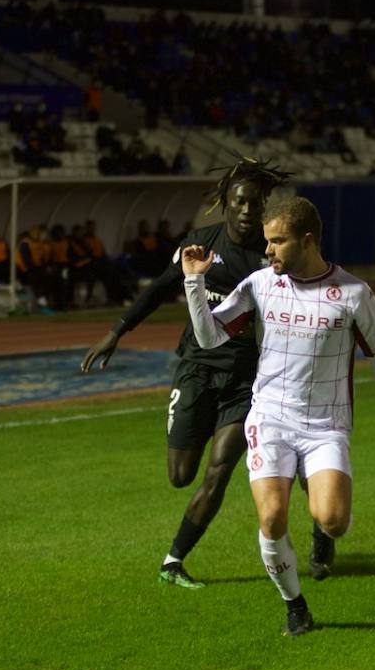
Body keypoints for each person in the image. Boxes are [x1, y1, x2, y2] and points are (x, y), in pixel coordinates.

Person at [180, 196, 375, 636]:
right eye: (267, 241)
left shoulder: (352, 293)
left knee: (333, 519)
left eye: (277, 241)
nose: (268, 250)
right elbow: (209, 337)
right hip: (270, 418)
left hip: (326, 426)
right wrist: (194, 284)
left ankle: (323, 533)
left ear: (307, 241)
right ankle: (296, 606)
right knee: (272, 517)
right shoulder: (260, 283)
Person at [80, 158, 293, 590]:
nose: (247, 210)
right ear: (225, 204)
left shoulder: (269, 259)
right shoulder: (200, 244)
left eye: (255, 202)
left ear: (263, 205)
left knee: (220, 470)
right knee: (181, 476)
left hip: (244, 383)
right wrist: (117, 331)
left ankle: (173, 560)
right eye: (239, 201)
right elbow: (160, 288)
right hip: (196, 371)